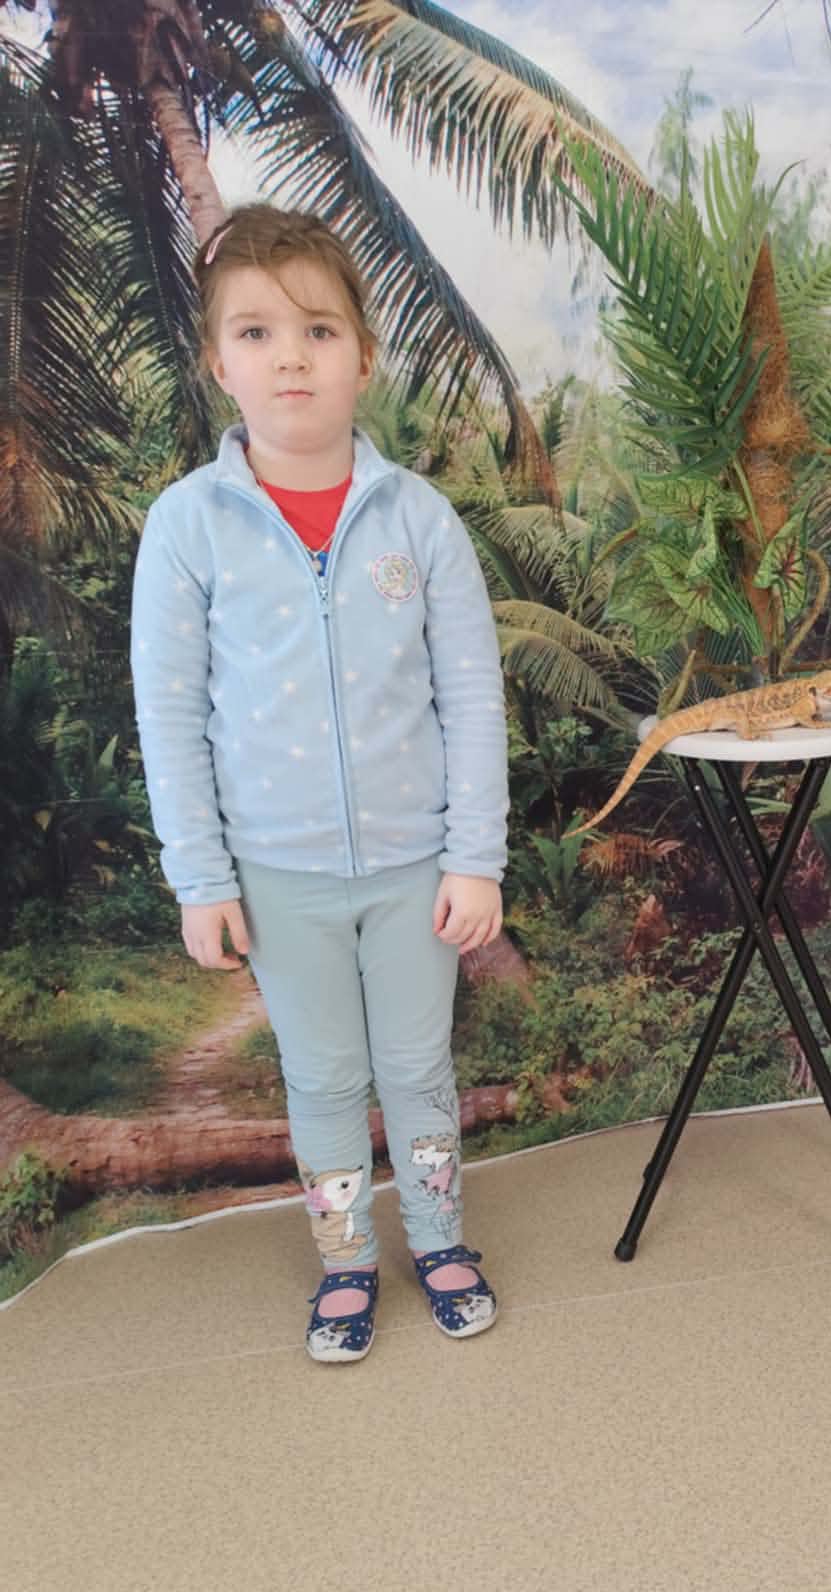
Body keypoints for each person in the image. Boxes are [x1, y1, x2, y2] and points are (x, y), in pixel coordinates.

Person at [131, 205, 510, 1360]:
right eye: (256, 332)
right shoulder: (187, 529)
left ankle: (439, 1237)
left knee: (419, 1066)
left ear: (364, 355)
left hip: (414, 869)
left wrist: (473, 858)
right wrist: (202, 877)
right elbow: (171, 716)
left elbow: (472, 697)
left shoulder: (421, 522)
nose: (290, 357)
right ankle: (346, 1261)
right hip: (276, 875)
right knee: (326, 1075)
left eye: (319, 329)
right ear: (218, 363)